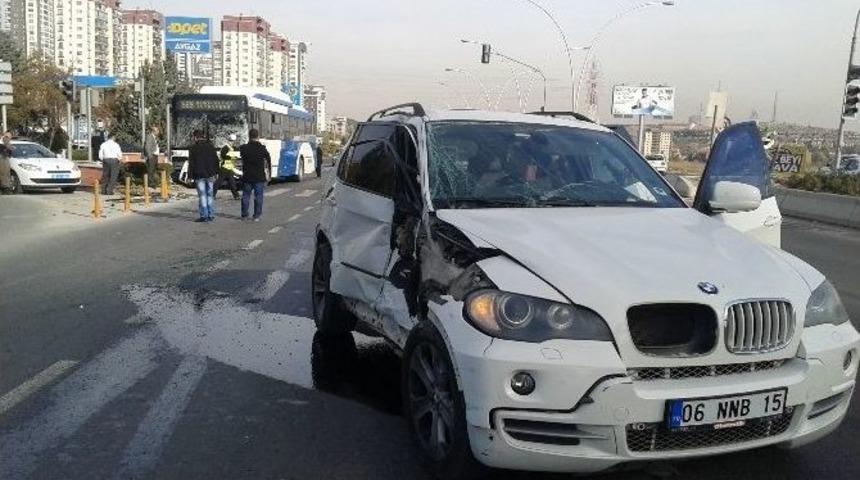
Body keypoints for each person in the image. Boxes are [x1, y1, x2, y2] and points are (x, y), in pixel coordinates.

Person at [187, 130, 220, 222]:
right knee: (210, 194)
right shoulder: (210, 146)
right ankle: (211, 214)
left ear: (195, 137)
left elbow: (191, 164)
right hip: (211, 174)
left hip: (199, 175)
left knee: (202, 195)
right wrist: (217, 172)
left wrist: (190, 176)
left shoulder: (193, 148)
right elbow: (216, 160)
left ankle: (204, 215)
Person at [239, 128, 270, 221]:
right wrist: (269, 173)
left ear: (249, 136)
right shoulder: (262, 148)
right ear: (258, 136)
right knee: (258, 196)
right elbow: (268, 159)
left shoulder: (243, 148)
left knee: (246, 195)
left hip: (247, 176)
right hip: (259, 177)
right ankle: (256, 216)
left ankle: (244, 215)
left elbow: (242, 156)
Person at [215, 134, 241, 200]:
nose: (232, 142)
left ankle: (236, 195)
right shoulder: (225, 147)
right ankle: (211, 194)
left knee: (232, 182)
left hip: (229, 168)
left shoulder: (230, 148)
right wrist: (231, 157)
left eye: (233, 141)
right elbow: (223, 155)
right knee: (219, 182)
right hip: (224, 167)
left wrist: (234, 157)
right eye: (231, 141)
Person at [143, 125, 160, 190]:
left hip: (155, 156)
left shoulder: (155, 137)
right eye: (157, 130)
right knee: (150, 170)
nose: (158, 132)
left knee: (153, 170)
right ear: (153, 131)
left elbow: (155, 146)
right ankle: (150, 184)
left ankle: (153, 183)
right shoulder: (150, 137)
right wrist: (150, 156)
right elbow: (147, 147)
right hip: (152, 156)